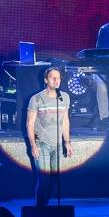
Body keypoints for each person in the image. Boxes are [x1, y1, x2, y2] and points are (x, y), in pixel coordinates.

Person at [26, 67, 73, 206]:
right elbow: (30, 124)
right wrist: (33, 145)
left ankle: (51, 210)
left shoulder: (64, 97)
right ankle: (40, 210)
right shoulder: (36, 99)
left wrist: (67, 142)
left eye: (58, 78)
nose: (56, 80)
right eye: (53, 77)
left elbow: (65, 121)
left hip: (57, 145)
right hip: (42, 144)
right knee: (44, 179)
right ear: (46, 80)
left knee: (54, 179)